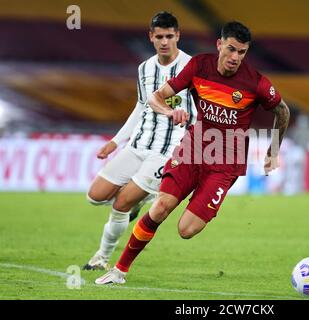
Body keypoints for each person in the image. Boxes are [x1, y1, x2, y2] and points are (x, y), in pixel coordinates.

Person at [95, 21, 290, 284]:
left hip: (224, 165)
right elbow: (157, 97)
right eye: (231, 49)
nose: (235, 58)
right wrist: (168, 110)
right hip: (193, 150)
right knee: (161, 208)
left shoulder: (255, 83)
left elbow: (283, 111)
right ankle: (119, 271)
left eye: (241, 52)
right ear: (219, 44)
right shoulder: (199, 66)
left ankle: (164, 197)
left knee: (186, 230)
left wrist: (273, 150)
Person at [83, 11, 195, 270]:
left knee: (122, 203)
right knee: (95, 196)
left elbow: (202, 108)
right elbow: (141, 107)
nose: (165, 41)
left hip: (166, 151)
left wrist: (189, 122)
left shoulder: (192, 68)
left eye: (169, 36)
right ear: (151, 37)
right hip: (138, 144)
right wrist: (116, 141)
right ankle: (143, 197)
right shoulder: (144, 68)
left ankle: (101, 257)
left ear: (177, 35)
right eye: (159, 37)